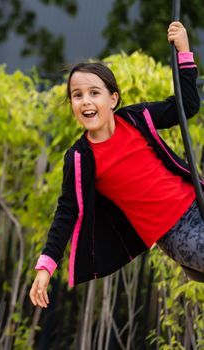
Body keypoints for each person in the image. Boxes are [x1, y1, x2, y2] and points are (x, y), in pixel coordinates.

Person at [29, 21, 203, 309]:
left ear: (113, 98)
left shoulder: (135, 119)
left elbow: (187, 106)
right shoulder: (81, 158)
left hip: (198, 200)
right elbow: (66, 213)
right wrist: (45, 266)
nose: (86, 101)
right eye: (77, 95)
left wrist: (183, 50)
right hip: (174, 233)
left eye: (94, 93)